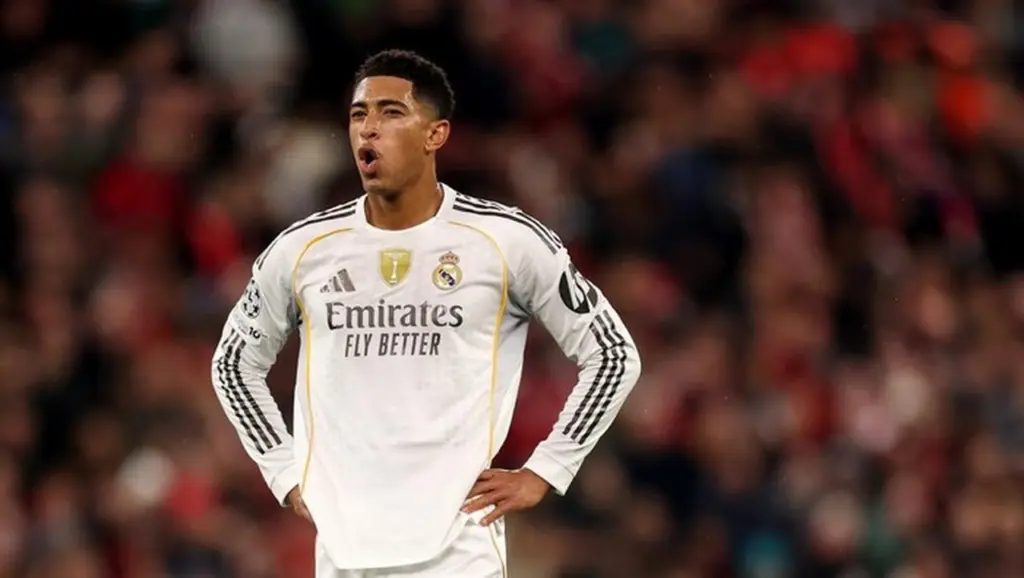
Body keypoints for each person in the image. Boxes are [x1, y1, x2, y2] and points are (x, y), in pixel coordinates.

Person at [210, 49, 642, 577]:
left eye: (391, 112)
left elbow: (613, 354)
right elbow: (233, 365)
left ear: (436, 134)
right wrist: (282, 469)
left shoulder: (505, 242)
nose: (369, 128)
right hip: (343, 557)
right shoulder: (302, 250)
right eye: (359, 114)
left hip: (458, 555)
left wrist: (548, 469)